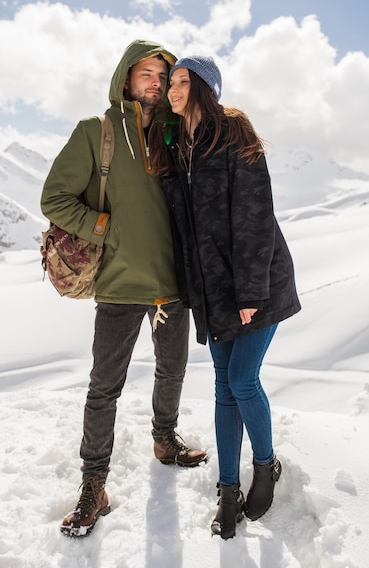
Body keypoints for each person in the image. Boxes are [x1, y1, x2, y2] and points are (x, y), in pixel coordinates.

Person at [41, 40, 207, 538]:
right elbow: (55, 198)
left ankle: (164, 440)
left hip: (172, 284)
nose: (156, 82)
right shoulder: (98, 131)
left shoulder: (177, 132)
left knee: (173, 368)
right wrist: (106, 229)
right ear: (126, 78)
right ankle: (95, 484)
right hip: (117, 285)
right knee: (104, 388)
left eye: (164, 74)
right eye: (147, 74)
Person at [150, 55, 301, 539]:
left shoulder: (232, 130)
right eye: (170, 82)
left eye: (181, 81)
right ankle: (229, 487)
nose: (173, 90)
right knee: (221, 385)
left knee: (241, 379)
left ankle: (265, 465)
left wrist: (251, 290)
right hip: (214, 292)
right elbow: (184, 230)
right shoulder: (179, 146)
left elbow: (256, 214)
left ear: (203, 87)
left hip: (259, 283)